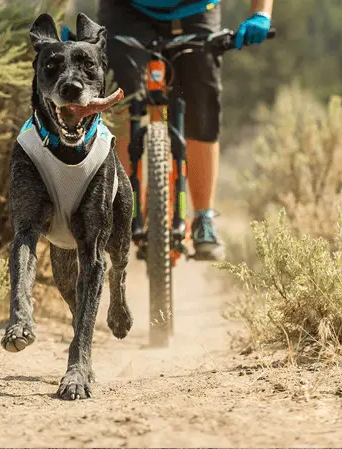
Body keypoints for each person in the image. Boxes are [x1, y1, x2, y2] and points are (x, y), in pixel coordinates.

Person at [97, 0, 274, 261]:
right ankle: (117, 211)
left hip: (195, 8)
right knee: (117, 101)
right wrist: (56, 19)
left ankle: (203, 218)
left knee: (201, 101)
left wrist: (260, 13)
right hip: (127, 9)